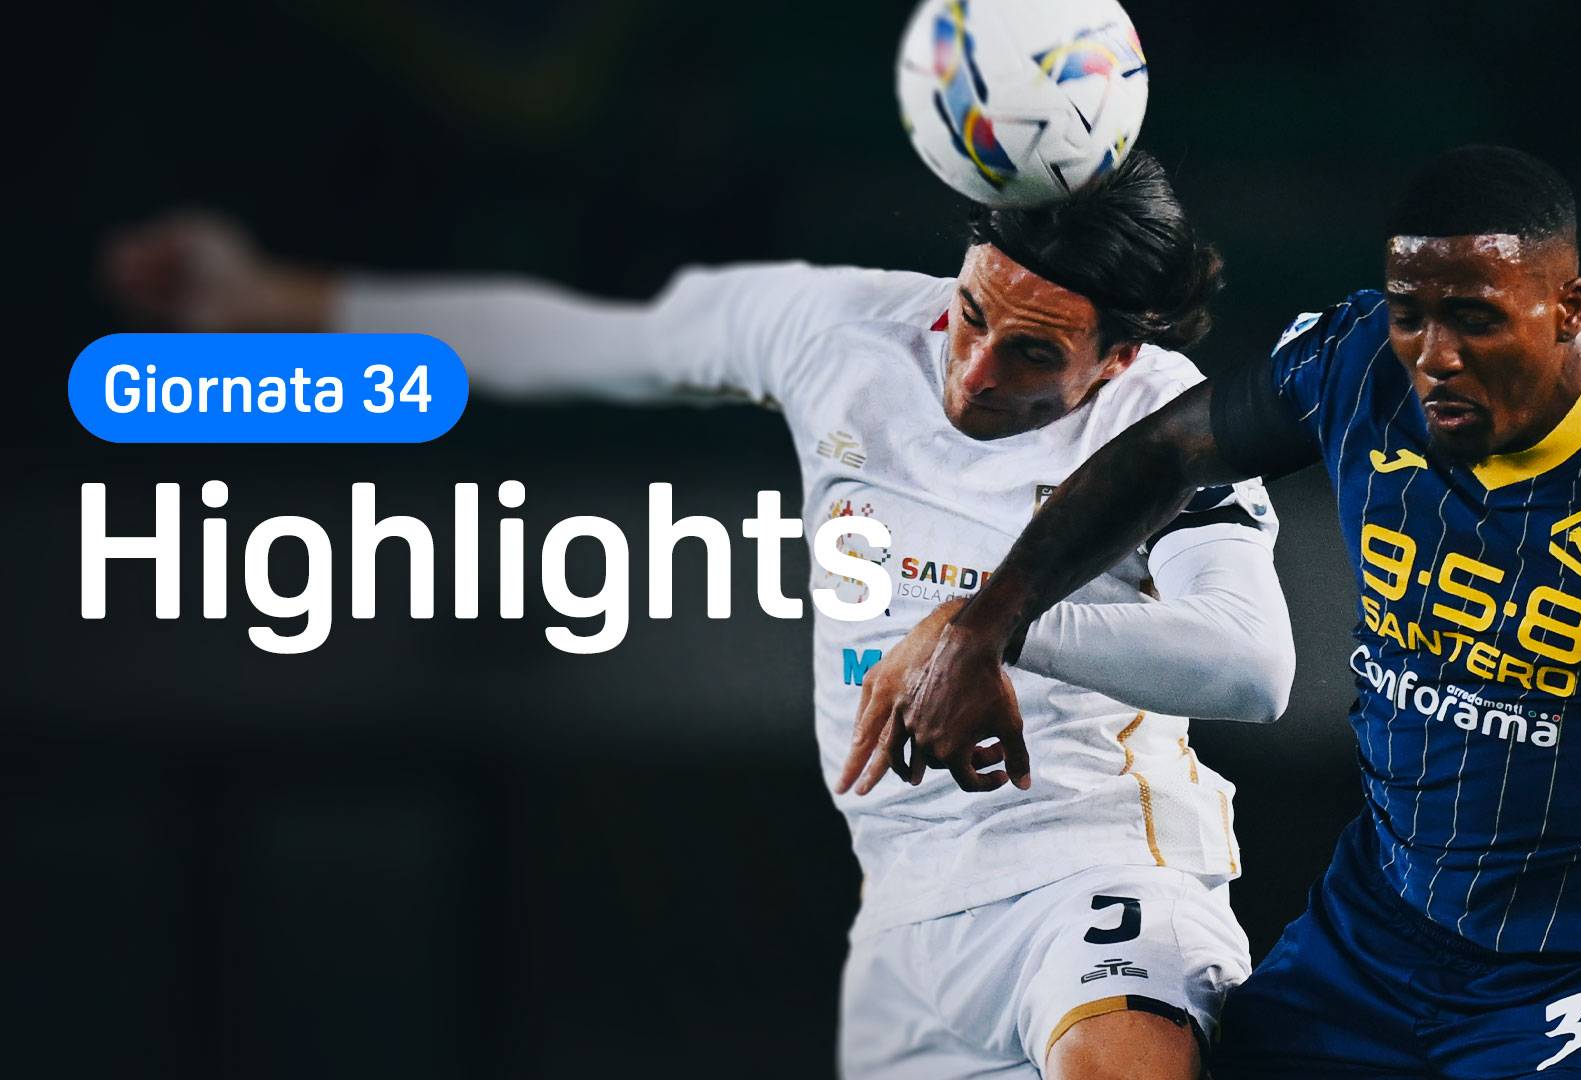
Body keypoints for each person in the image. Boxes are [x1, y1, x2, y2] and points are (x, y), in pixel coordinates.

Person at [100, 152, 1297, 1080]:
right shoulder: (835, 329)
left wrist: (985, 626)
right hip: (906, 915)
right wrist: (271, 297)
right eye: (972, 314)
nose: (974, 373)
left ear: (1116, 358)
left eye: (1031, 355)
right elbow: (581, 340)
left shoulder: (1167, 423)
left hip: (1091, 868)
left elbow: (1252, 664)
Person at [881, 145, 1581, 1077]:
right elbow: (1165, 452)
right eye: (1411, 313)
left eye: (1475, 318)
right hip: (1378, 944)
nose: (1435, 354)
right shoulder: (1355, 366)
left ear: (1570, 309)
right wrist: (985, 623)